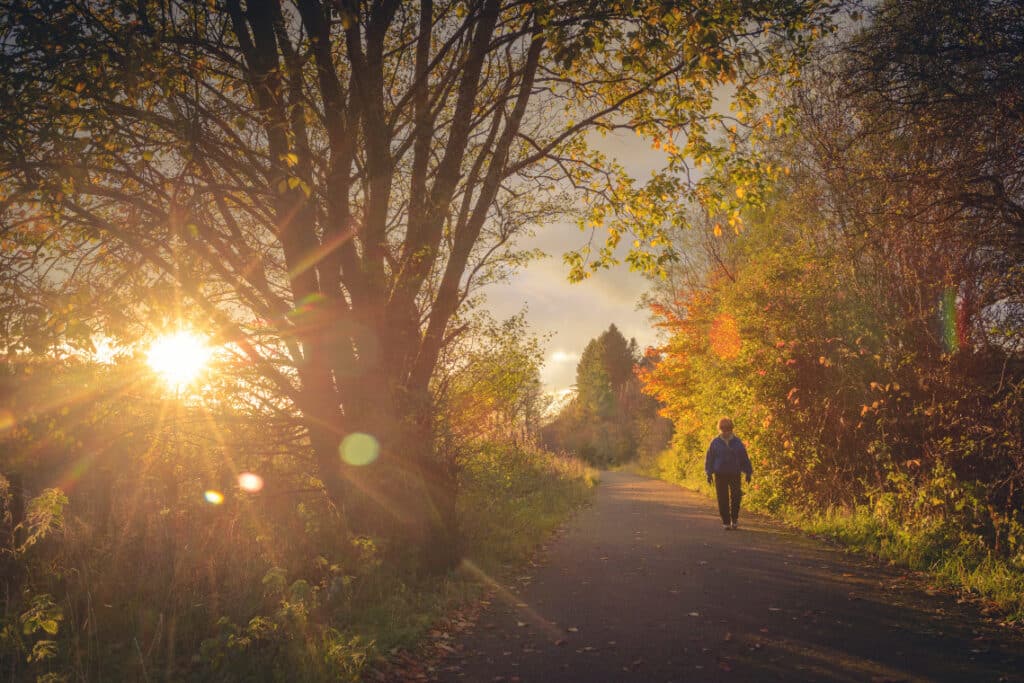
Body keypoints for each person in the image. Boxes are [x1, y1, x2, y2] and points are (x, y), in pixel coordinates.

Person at [704, 417, 752, 530]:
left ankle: (734, 518)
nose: (725, 431)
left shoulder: (737, 442)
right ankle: (726, 521)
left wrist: (748, 472)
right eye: (723, 428)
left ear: (731, 428)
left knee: (736, 496)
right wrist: (709, 473)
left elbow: (744, 458)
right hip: (720, 474)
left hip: (734, 473)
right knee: (722, 498)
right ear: (719, 429)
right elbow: (710, 458)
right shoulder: (715, 442)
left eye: (728, 428)